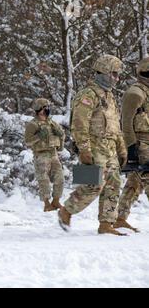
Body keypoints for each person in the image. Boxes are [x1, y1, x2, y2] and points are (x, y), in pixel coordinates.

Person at [58, 54, 128, 235]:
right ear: (103, 72)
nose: (116, 78)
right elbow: (79, 123)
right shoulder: (88, 94)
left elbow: (115, 124)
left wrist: (121, 148)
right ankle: (67, 210)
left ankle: (106, 223)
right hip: (94, 146)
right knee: (93, 183)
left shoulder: (109, 96)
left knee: (114, 183)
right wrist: (84, 148)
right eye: (113, 74)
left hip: (110, 147)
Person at [115, 57, 149, 233]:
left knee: (135, 182)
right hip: (141, 144)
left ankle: (120, 218)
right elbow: (126, 122)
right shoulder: (135, 93)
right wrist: (131, 148)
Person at [24, 98, 65, 212]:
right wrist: (38, 137)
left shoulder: (51, 122)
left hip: (53, 154)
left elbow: (61, 135)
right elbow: (27, 141)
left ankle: (56, 201)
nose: (47, 110)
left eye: (47, 107)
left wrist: (61, 135)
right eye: (44, 107)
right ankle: (47, 204)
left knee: (60, 178)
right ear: (39, 109)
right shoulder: (33, 124)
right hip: (41, 155)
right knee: (43, 180)